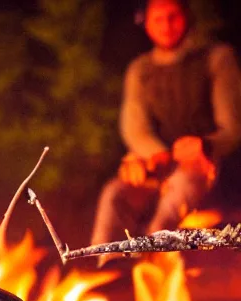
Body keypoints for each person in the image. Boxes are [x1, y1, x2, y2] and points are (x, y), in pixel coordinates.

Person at [90, 0, 241, 256]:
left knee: (177, 193)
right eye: (158, 19)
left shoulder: (216, 58)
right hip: (159, 164)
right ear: (146, 23)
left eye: (173, 17)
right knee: (114, 194)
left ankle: (153, 264)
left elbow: (232, 126)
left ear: (186, 16)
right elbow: (135, 126)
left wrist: (206, 145)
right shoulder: (141, 70)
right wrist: (149, 155)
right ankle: (104, 271)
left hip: (208, 167)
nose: (166, 26)